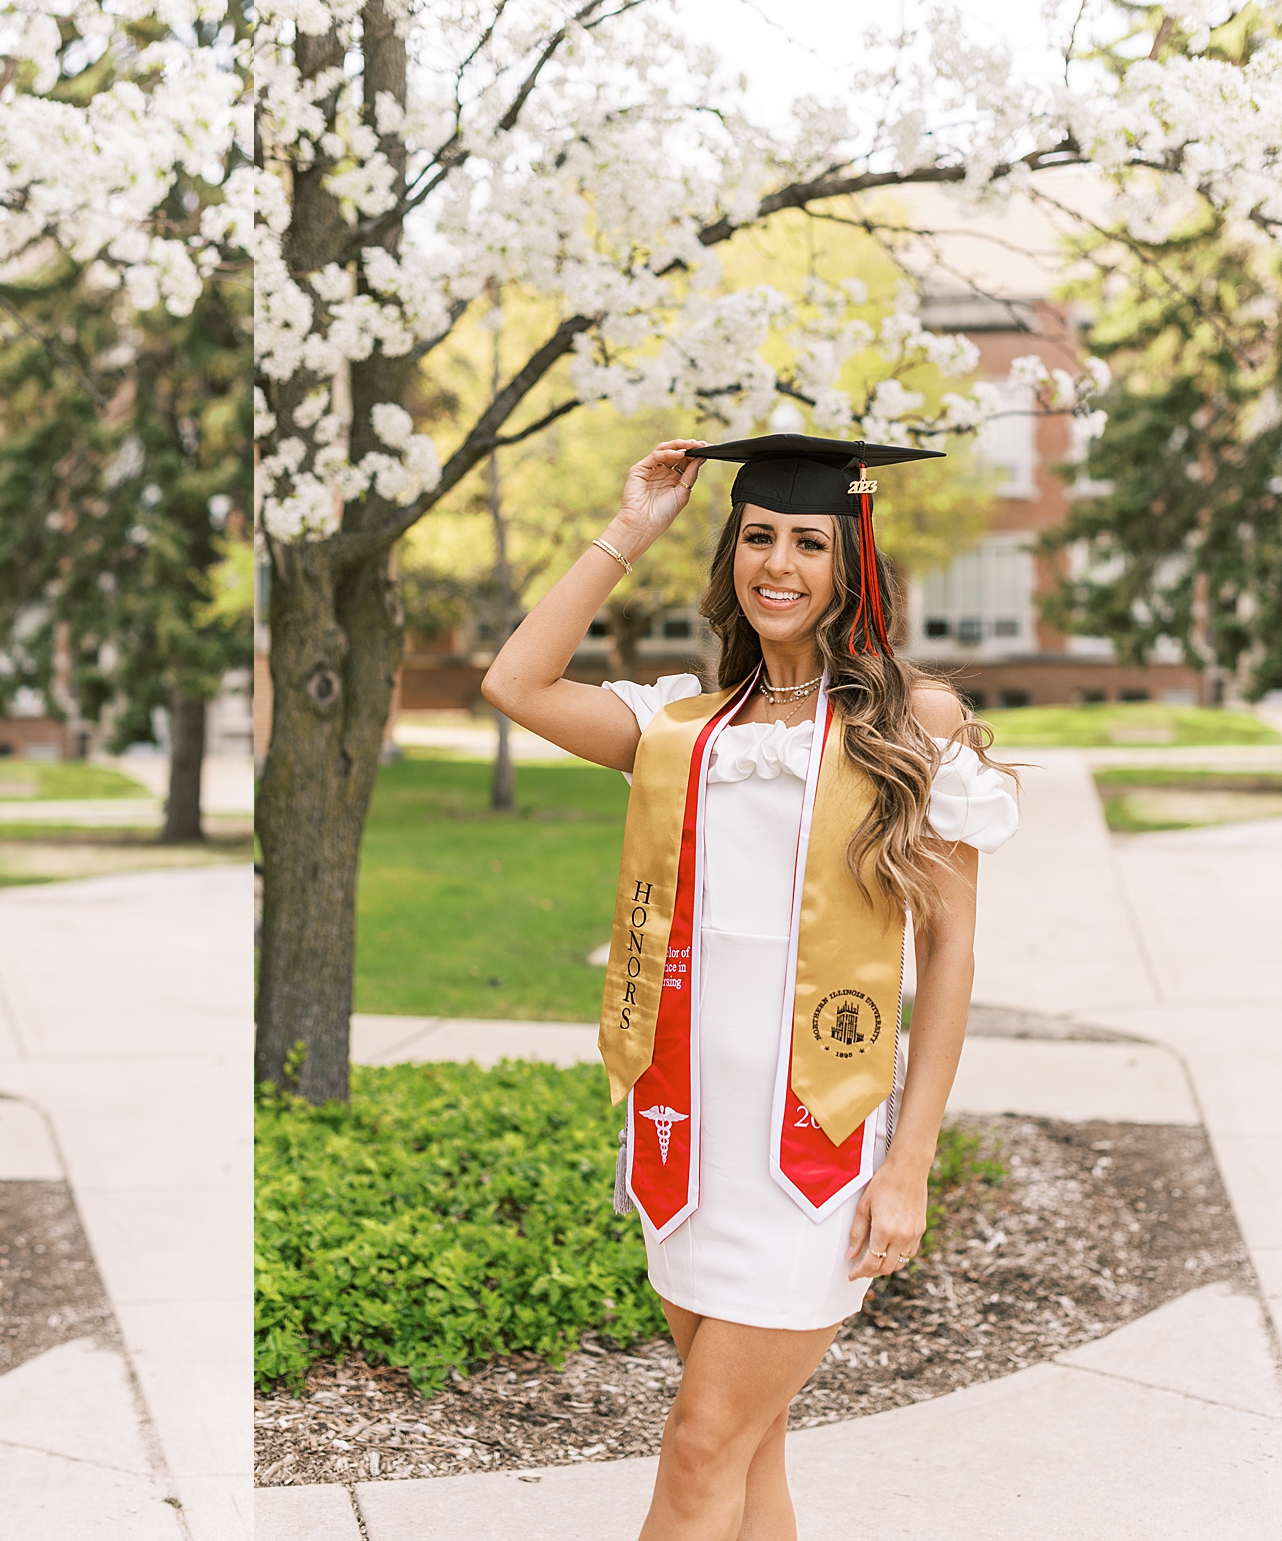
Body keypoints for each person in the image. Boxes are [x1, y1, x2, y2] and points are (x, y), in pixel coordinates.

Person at [482, 434, 1018, 1541]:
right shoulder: (682, 728)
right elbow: (513, 681)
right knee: (743, 1455)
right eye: (758, 536)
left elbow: (950, 952)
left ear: (850, 562)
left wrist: (908, 1164)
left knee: (693, 1452)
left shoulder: (907, 727)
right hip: (690, 1152)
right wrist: (627, 530)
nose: (778, 563)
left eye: (809, 541)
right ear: (730, 550)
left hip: (810, 1160)